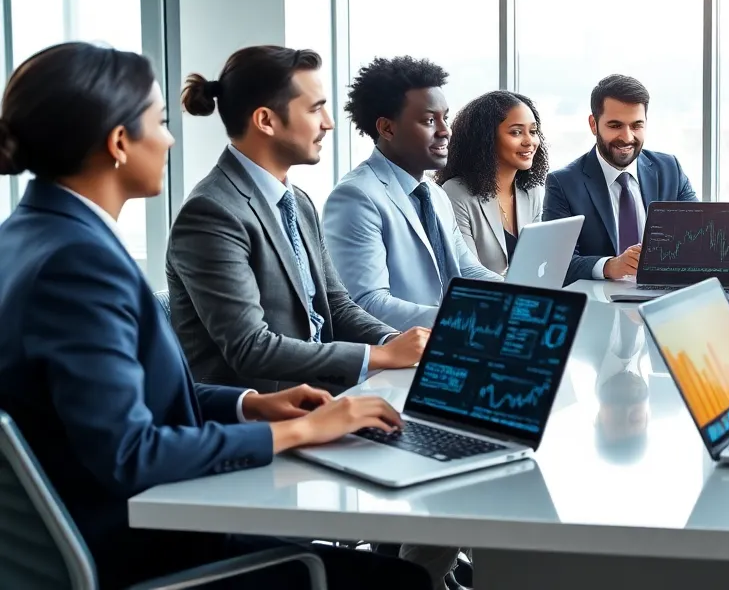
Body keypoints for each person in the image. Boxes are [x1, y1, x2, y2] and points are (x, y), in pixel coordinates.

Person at [0, 42, 429, 590]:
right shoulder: (78, 263)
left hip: (114, 526)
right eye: (158, 121)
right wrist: (299, 431)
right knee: (401, 581)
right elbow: (131, 451)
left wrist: (251, 405)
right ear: (118, 143)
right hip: (143, 546)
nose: (172, 137)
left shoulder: (30, 235)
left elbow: (130, 399)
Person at [167, 46, 429, 394]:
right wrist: (379, 356)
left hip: (327, 398)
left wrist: (395, 341)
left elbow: (336, 304)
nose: (328, 123)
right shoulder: (211, 213)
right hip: (261, 422)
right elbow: (251, 348)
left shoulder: (298, 201)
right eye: (315, 109)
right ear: (266, 121)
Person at [324, 56, 501, 332]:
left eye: (446, 118)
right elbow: (367, 304)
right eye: (430, 120)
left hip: (445, 342)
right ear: (387, 128)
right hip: (394, 356)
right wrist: (463, 319)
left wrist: (519, 299)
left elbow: (467, 271)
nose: (445, 131)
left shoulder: (434, 193)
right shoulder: (356, 197)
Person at [542, 74, 698, 284]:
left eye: (636, 125)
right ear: (593, 124)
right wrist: (609, 266)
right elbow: (556, 263)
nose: (627, 137)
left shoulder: (670, 169)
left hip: (663, 298)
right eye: (615, 126)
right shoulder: (563, 184)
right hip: (602, 305)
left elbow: (699, 237)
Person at [437, 90, 550, 276]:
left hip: (528, 296)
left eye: (533, 131)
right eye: (516, 132)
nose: (529, 141)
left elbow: (538, 262)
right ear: (486, 139)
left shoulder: (532, 191)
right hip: (484, 300)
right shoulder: (456, 193)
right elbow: (468, 273)